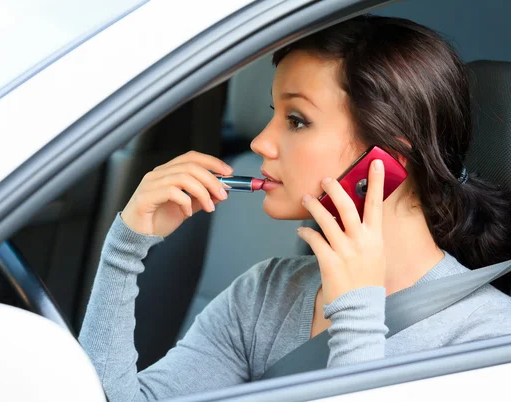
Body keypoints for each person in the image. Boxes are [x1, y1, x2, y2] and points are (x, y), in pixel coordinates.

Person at [79, 15, 511, 401]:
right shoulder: (265, 293)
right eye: (274, 114)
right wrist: (125, 249)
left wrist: (356, 315)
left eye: (296, 120)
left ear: (386, 159)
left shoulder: (489, 340)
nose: (260, 143)